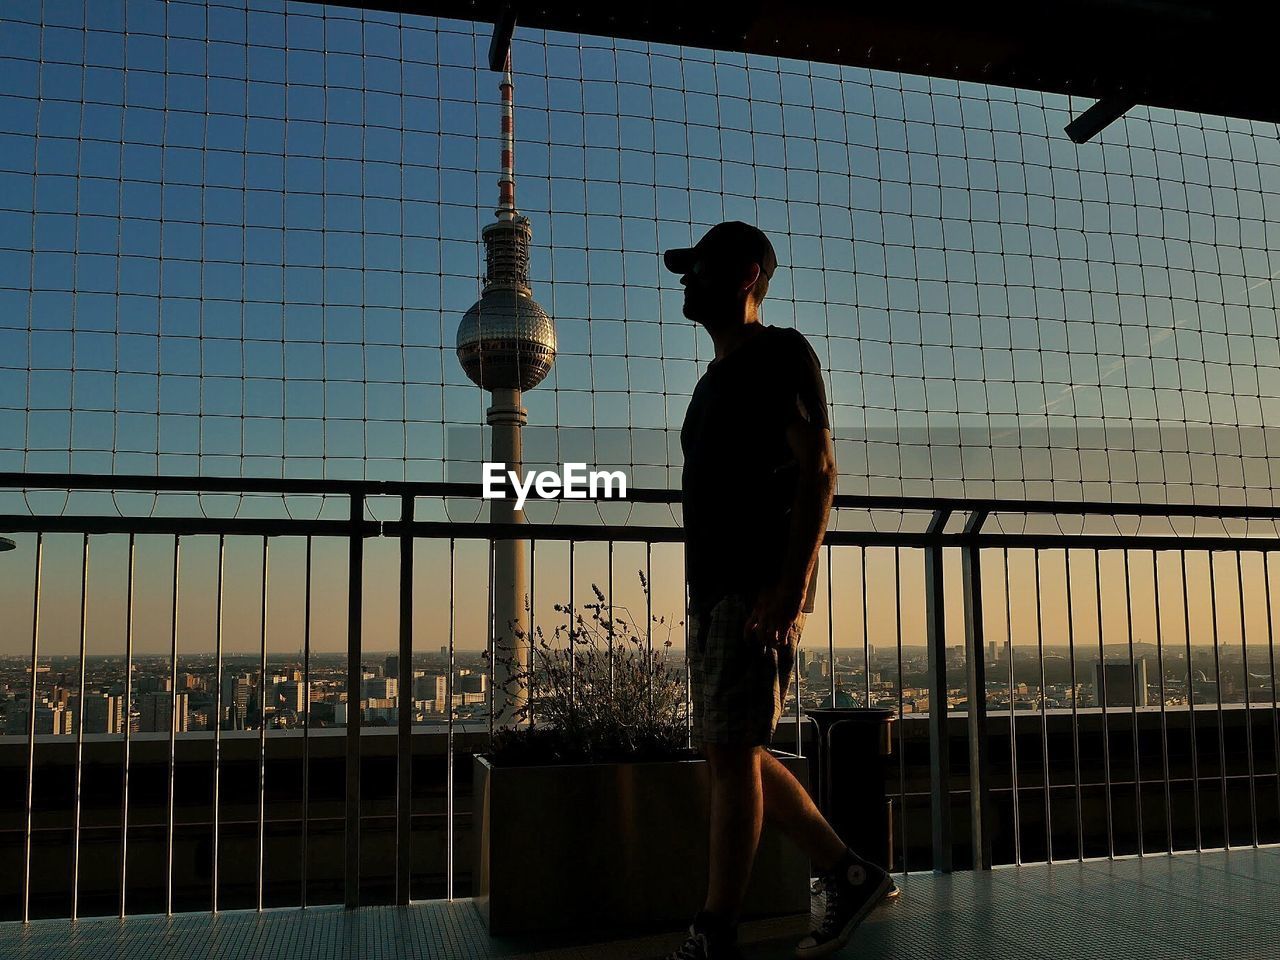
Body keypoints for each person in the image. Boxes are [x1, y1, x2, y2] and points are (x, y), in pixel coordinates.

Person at [661, 222, 896, 960]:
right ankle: (847, 873)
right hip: (717, 588)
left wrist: (790, 588)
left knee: (732, 753)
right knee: (732, 750)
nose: (684, 280)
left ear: (744, 275)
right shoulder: (713, 381)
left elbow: (820, 471)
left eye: (696, 268)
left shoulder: (780, 356)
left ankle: (715, 931)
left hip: (755, 587)